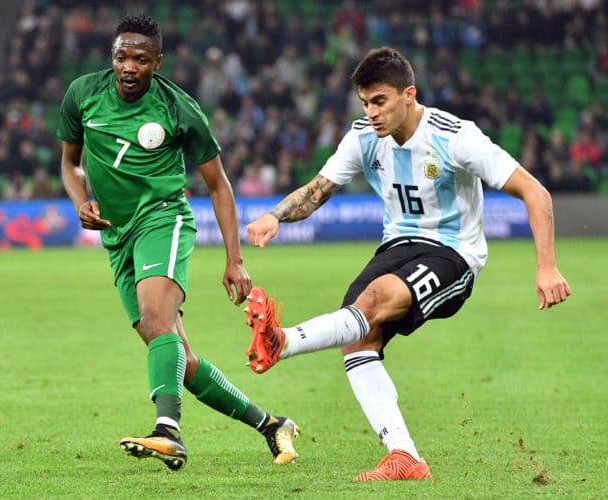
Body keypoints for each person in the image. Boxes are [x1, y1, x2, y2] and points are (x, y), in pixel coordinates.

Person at [243, 47, 571, 482]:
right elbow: (317, 190)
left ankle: (281, 342)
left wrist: (546, 267)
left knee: (373, 303)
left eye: (379, 101)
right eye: (364, 103)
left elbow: (535, 192)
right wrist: (275, 215)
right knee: (359, 334)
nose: (371, 112)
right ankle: (404, 457)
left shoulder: (455, 137)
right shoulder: (363, 137)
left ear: (408, 94)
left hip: (452, 252)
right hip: (396, 247)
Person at [56, 14, 298, 472]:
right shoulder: (82, 94)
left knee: (155, 320)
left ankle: (168, 431)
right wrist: (78, 200)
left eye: (140, 59)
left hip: (162, 220)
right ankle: (272, 425)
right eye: (121, 56)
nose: (129, 67)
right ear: (112, 57)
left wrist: (235, 260)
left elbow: (219, 184)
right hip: (117, 235)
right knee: (175, 356)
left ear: (157, 63)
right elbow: (69, 163)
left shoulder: (179, 109)